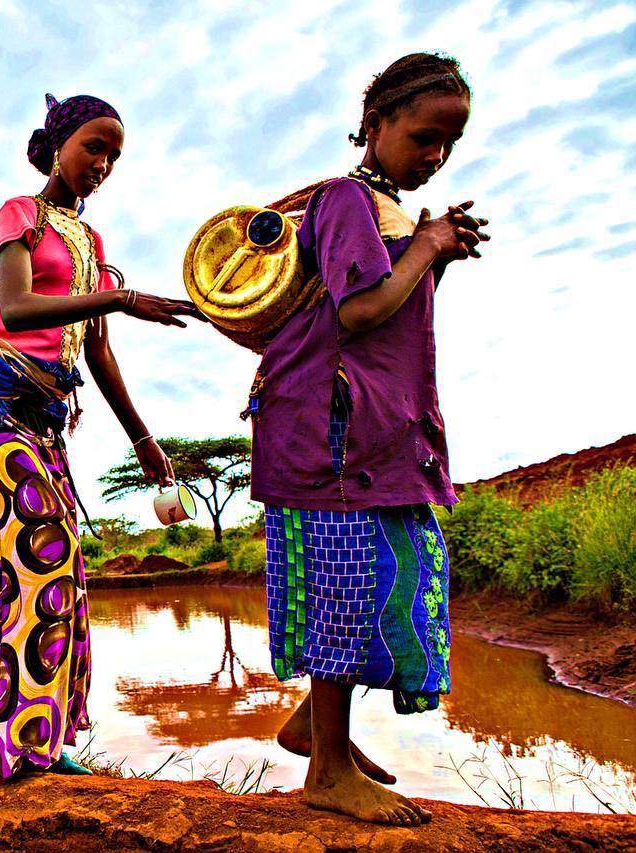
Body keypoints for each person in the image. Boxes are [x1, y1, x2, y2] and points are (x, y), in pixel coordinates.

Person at [247, 53, 490, 825]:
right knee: (346, 587)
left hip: (374, 431)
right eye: (423, 137)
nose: (435, 156)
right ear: (376, 124)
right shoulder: (347, 199)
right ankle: (324, 769)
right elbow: (355, 312)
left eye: (449, 145)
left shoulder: (389, 213)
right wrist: (425, 246)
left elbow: (393, 306)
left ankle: (317, 731)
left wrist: (434, 251)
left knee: (389, 571)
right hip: (328, 433)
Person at [0, 93, 205, 780]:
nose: (103, 163)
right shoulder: (19, 214)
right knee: (37, 555)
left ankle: (41, 734)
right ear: (59, 142)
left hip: (45, 418)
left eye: (114, 155)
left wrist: (144, 440)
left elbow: (98, 353)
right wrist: (122, 296)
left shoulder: (91, 244)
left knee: (62, 572)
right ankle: (12, 739)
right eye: (94, 145)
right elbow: (17, 305)